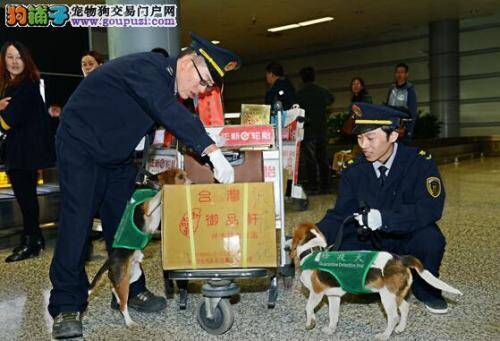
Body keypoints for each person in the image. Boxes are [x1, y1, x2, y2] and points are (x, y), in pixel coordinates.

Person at [48, 33, 240, 339]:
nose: (200, 91)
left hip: (116, 156)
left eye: (207, 88)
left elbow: (163, 115)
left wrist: (208, 144)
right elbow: (166, 109)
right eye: (203, 82)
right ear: (189, 62)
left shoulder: (164, 86)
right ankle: (66, 305)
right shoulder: (148, 68)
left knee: (126, 226)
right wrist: (211, 151)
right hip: (80, 147)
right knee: (77, 222)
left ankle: (129, 290)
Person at [316, 102, 449, 315]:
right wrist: (313, 234)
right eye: (359, 138)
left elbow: (430, 207)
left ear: (393, 136)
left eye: (370, 138)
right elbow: (342, 213)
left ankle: (427, 290)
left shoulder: (419, 163)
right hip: (371, 238)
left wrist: (385, 218)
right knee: (343, 252)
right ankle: (374, 282)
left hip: (406, 234)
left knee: (430, 240)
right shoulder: (354, 170)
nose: (364, 145)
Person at [0, 42, 55, 262]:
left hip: (25, 153)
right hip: (20, 152)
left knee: (27, 199)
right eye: (10, 57)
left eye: (18, 57)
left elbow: (6, 123)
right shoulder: (12, 85)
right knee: (26, 198)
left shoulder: (25, 86)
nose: (14, 62)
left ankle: (31, 240)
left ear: (26, 59)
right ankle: (33, 238)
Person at [295, 66, 334, 194]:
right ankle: (326, 186)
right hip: (321, 129)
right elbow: (331, 100)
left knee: (310, 160)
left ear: (301, 78)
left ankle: (313, 187)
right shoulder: (322, 91)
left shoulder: (299, 94)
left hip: (308, 130)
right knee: (323, 159)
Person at [386, 63, 417, 143]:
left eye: (402, 72)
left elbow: (413, 112)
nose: (399, 74)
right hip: (391, 127)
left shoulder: (409, 90)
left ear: (407, 74)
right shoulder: (392, 89)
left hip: (403, 129)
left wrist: (409, 131)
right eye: (397, 72)